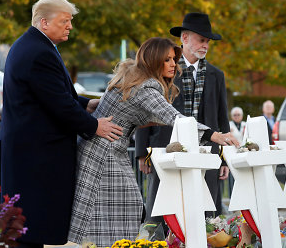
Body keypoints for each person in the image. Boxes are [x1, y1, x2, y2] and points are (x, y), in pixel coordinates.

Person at [68, 37, 238, 246]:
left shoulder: (134, 77)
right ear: (153, 59)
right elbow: (175, 118)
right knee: (121, 210)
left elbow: (136, 114)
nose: (174, 64)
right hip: (103, 153)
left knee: (115, 211)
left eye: (174, 59)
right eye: (167, 59)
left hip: (104, 149)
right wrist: (215, 135)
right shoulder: (147, 88)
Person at [0, 0, 123, 248]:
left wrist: (86, 104)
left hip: (29, 153)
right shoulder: (38, 52)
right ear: (44, 22)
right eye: (64, 21)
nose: (70, 26)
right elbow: (57, 103)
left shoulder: (33, 46)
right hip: (35, 157)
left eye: (70, 21)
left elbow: (52, 94)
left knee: (27, 227)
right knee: (27, 228)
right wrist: (95, 126)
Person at [135, 13, 231, 227]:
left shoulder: (216, 75)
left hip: (206, 152)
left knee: (207, 214)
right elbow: (145, 110)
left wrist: (223, 158)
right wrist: (143, 153)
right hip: (165, 149)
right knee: (161, 210)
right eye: (201, 39)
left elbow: (222, 119)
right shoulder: (163, 68)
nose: (205, 45)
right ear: (185, 38)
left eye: (207, 41)